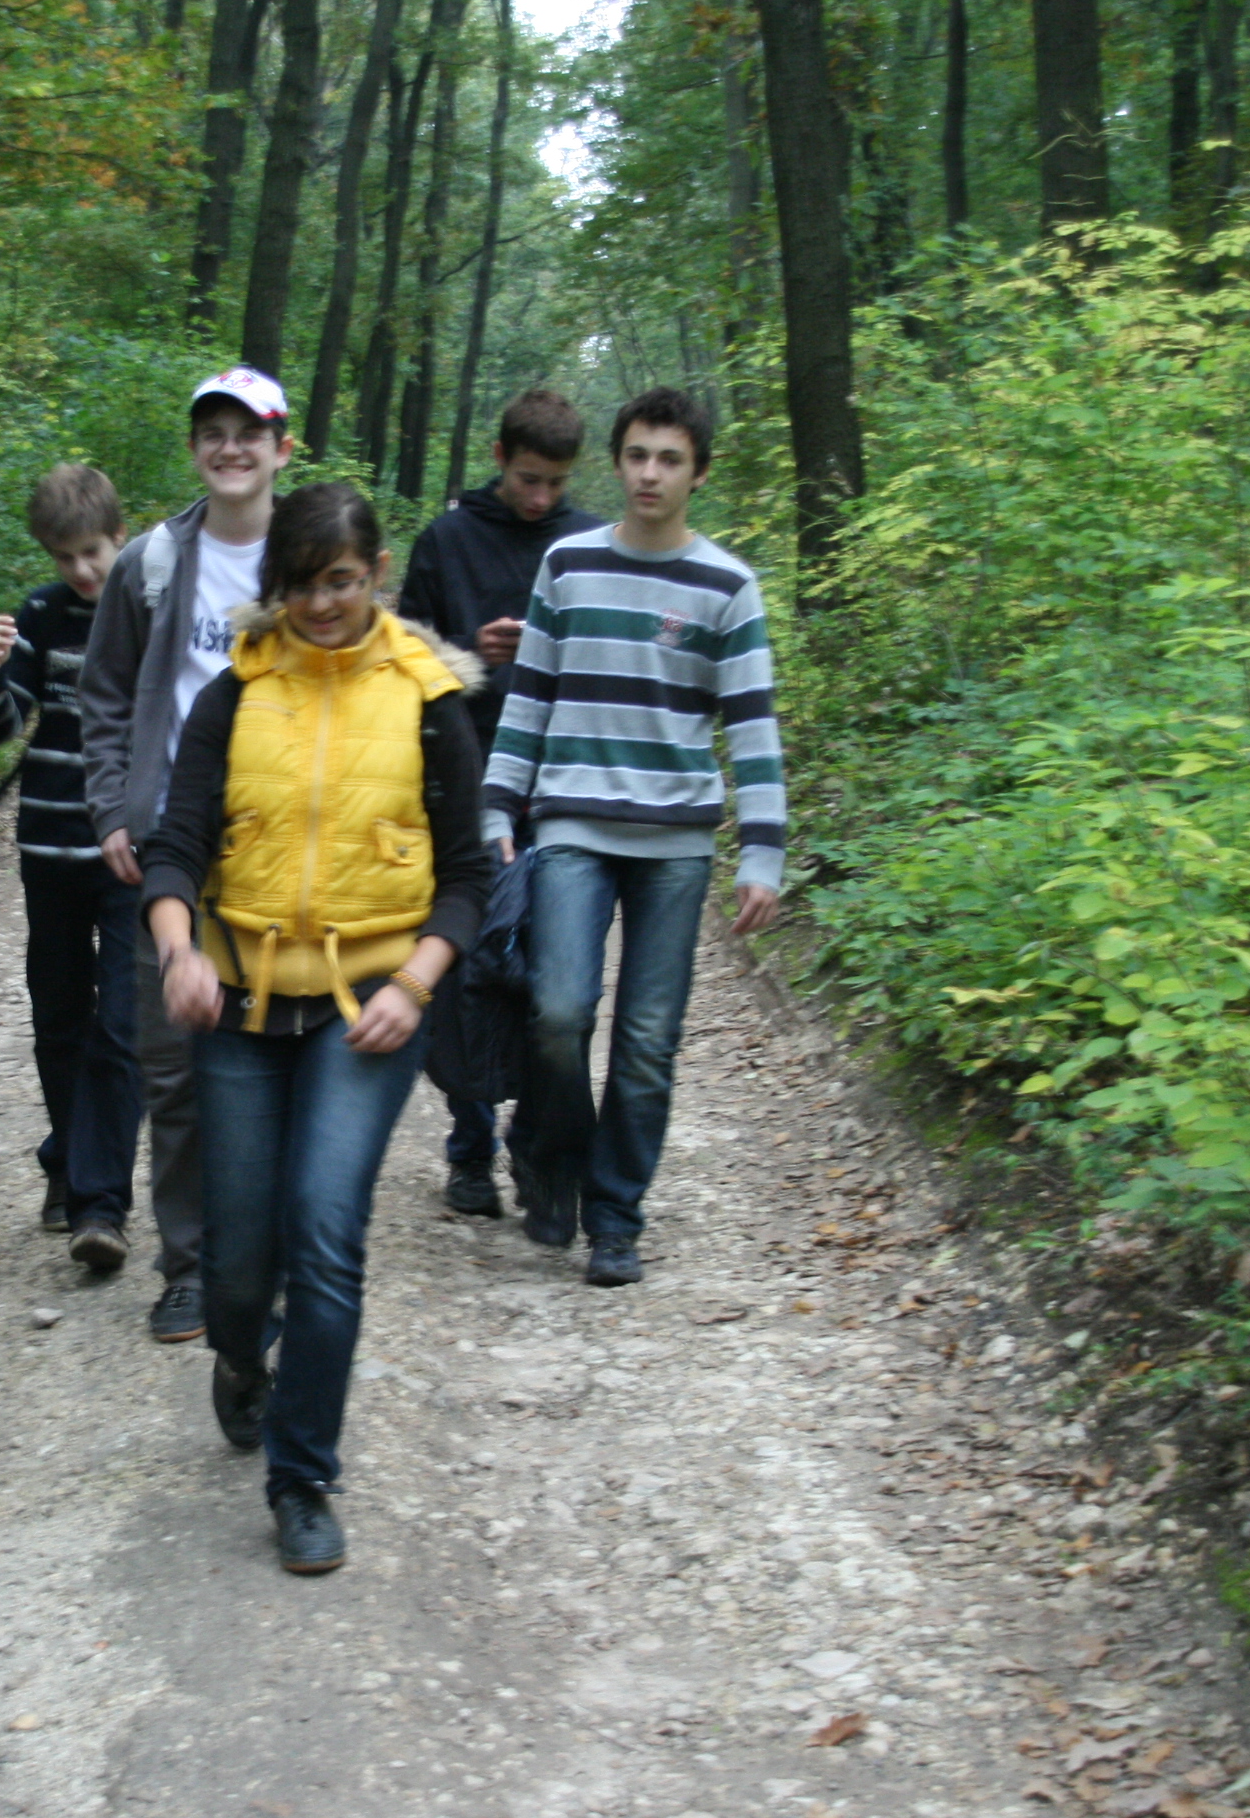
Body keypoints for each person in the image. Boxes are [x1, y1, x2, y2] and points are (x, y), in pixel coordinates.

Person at [143, 482, 493, 1575]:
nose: (323, 603)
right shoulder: (237, 693)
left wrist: (416, 983)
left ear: (375, 573)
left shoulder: (428, 696)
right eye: (301, 585)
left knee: (325, 1228)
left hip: (368, 1011)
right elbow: (174, 846)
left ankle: (302, 1478)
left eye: (341, 580)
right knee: (239, 1263)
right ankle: (242, 1354)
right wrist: (178, 950)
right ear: (277, 588)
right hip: (240, 1005)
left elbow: (468, 878)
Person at [480, 385, 785, 1291]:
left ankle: (616, 1215)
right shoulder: (568, 565)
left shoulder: (728, 585)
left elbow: (753, 730)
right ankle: (549, 1151)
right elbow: (530, 695)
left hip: (676, 842)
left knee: (649, 1038)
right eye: (638, 455)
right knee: (560, 1011)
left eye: (670, 460)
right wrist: (497, 805)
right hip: (571, 820)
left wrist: (762, 853)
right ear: (617, 463)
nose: (651, 474)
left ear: (699, 473)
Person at [78, 365, 297, 1345]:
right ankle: (190, 1268)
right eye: (213, 432)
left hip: (282, 852)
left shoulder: (310, 556)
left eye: (249, 433)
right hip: (169, 847)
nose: (230, 448)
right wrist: (111, 809)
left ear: (281, 447)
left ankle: (267, 1262)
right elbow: (105, 692)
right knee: (171, 1068)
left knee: (275, 1060)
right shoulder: (153, 563)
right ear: (194, 448)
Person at [393, 387, 596, 1221]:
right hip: (465, 775)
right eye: (527, 478)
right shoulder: (447, 540)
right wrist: (469, 653)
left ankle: (535, 1142)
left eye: (555, 482)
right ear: (500, 456)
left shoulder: (588, 546)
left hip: (563, 782)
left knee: (555, 976)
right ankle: (469, 1146)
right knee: (468, 968)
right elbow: (401, 658)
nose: (540, 497)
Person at [0, 463, 144, 1270]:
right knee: (60, 1016)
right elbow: (0, 728)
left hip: (131, 852)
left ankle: (100, 1201)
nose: (80, 569)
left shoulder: (151, 610)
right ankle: (71, 1162)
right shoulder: (39, 614)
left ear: (120, 537)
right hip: (49, 850)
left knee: (123, 1024)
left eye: (92, 552)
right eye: (64, 556)